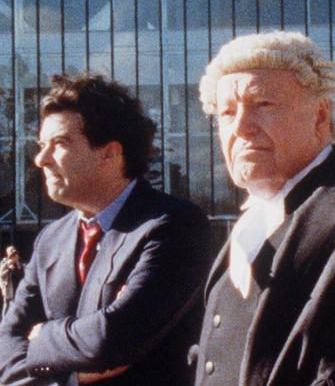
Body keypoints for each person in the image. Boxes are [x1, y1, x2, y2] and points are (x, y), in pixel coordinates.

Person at [194, 31, 335, 385]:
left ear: (321, 116)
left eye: (263, 105)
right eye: (227, 113)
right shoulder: (258, 215)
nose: (241, 128)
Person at [0, 74, 213, 385]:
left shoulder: (174, 226)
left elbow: (113, 338)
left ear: (110, 153)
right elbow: (7, 343)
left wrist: (43, 334)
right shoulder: (51, 239)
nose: (41, 159)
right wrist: (66, 380)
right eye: (41, 145)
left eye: (60, 143)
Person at [0, 246, 24, 318]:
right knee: (7, 305)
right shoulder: (5, 264)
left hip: (17, 288)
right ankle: (3, 322)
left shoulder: (18, 264)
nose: (16, 256)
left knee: (16, 305)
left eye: (16, 254)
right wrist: (9, 270)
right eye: (14, 255)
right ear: (11, 256)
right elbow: (1, 275)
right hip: (9, 289)